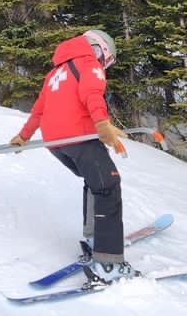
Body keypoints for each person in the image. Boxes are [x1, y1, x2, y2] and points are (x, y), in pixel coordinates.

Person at [10, 29, 133, 283]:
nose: (104, 66)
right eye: (106, 60)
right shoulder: (89, 63)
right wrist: (102, 124)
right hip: (80, 138)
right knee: (108, 187)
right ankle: (108, 265)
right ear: (99, 49)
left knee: (95, 182)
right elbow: (92, 94)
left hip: (56, 144)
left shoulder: (54, 73)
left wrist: (23, 136)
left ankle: (94, 237)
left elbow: (38, 112)